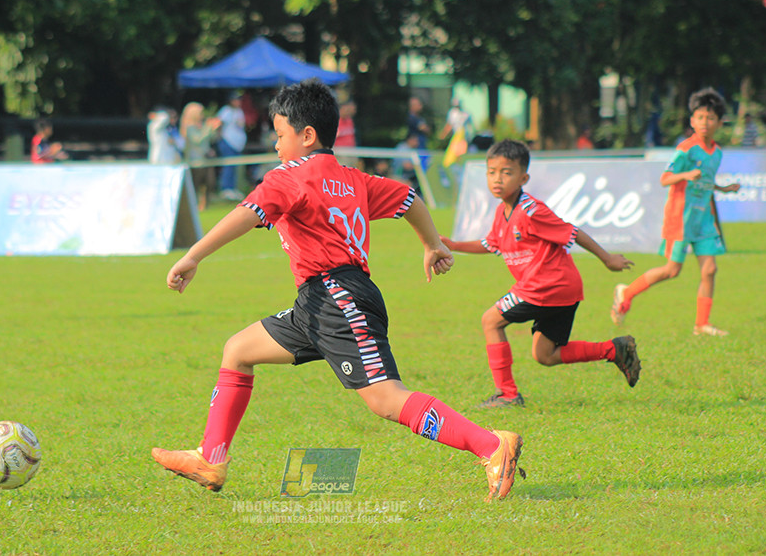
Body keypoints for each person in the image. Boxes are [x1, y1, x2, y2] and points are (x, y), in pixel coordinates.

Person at [151, 78, 524, 501]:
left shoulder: (288, 176)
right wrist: (431, 245)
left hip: (337, 299)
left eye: (279, 135)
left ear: (306, 136)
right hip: (319, 301)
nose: (275, 146)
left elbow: (246, 214)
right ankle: (211, 459)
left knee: (386, 398)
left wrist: (193, 255)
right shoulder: (353, 178)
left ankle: (491, 445)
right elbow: (409, 198)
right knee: (238, 350)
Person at [440, 139, 641, 408]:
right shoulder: (503, 212)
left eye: (506, 172)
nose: (497, 179)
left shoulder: (532, 211)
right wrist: (454, 245)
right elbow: (491, 244)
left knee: (490, 321)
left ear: (524, 177)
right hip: (561, 289)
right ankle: (615, 349)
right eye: (491, 172)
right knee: (545, 355)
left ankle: (507, 394)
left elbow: (572, 231)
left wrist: (607, 259)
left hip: (546, 286)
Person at [611, 88, 741, 336]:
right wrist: (685, 175)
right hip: (681, 217)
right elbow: (665, 179)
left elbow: (704, 182)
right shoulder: (685, 149)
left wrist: (723, 188)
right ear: (692, 121)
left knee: (710, 269)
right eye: (700, 117)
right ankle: (626, 292)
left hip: (703, 220)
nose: (705, 122)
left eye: (710, 118)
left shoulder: (717, 152)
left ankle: (702, 324)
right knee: (672, 270)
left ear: (719, 122)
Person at [180, 102, 221, 211]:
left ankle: (204, 205)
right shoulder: (189, 127)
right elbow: (198, 140)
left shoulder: (202, 125)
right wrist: (208, 127)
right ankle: (194, 206)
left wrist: (214, 128)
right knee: (196, 185)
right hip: (195, 162)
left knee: (209, 183)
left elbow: (210, 139)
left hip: (206, 159)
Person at [215, 92, 247, 200]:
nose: (238, 102)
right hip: (227, 142)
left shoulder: (239, 111)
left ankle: (232, 188)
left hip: (236, 144)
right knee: (228, 166)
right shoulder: (226, 111)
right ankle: (225, 189)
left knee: (234, 167)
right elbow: (219, 125)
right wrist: (219, 140)